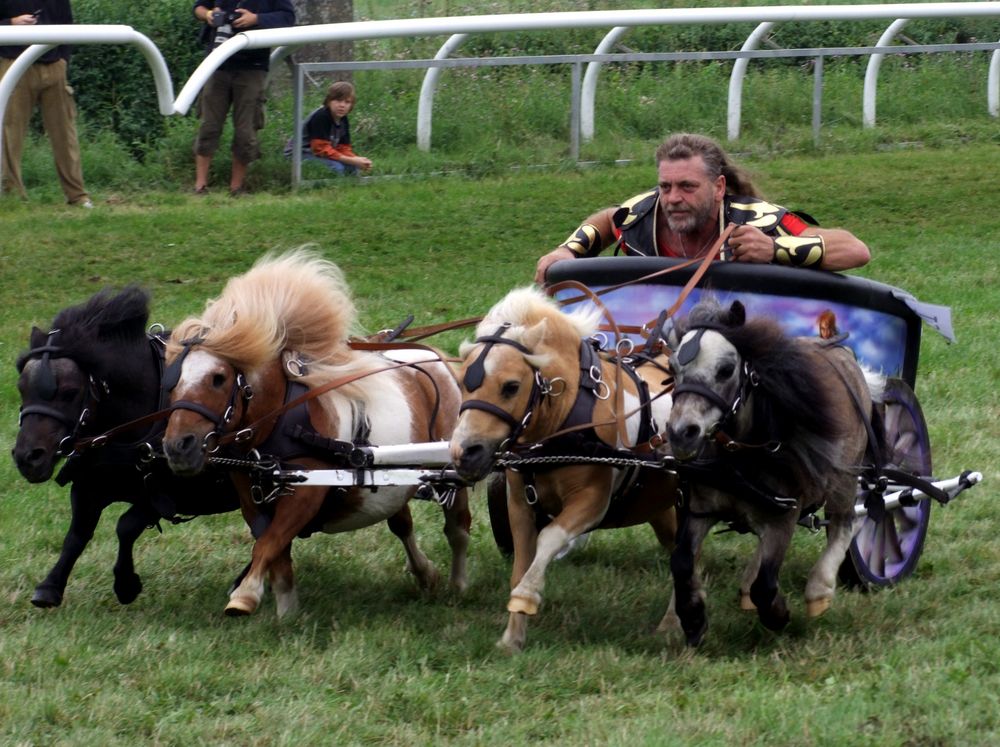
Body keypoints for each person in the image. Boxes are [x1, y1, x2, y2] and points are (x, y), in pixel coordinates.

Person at [534, 133, 870, 284]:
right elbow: (609, 220)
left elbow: (855, 250)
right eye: (665, 187)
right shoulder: (643, 214)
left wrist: (773, 248)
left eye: (687, 187)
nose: (673, 198)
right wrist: (569, 251)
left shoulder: (758, 219)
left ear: (719, 187)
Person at [192, 0, 294, 196]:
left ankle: (236, 188)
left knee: (246, 130)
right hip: (217, 63)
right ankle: (200, 186)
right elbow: (198, 8)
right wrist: (208, 15)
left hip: (252, 66)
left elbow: (288, 17)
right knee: (209, 125)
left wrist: (256, 19)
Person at [0, 0, 92, 207]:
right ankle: (12, 196)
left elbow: (68, 25)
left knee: (65, 132)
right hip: (15, 65)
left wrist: (63, 61)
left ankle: (77, 196)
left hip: (53, 65)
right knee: (9, 133)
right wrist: (10, 23)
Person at [288, 81, 372, 176]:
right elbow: (320, 149)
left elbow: (343, 147)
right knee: (337, 168)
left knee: (353, 168)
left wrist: (357, 160)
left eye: (347, 102)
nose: (342, 105)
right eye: (338, 100)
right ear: (328, 101)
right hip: (300, 153)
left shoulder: (343, 119)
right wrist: (351, 160)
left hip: (321, 153)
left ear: (351, 105)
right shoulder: (321, 116)